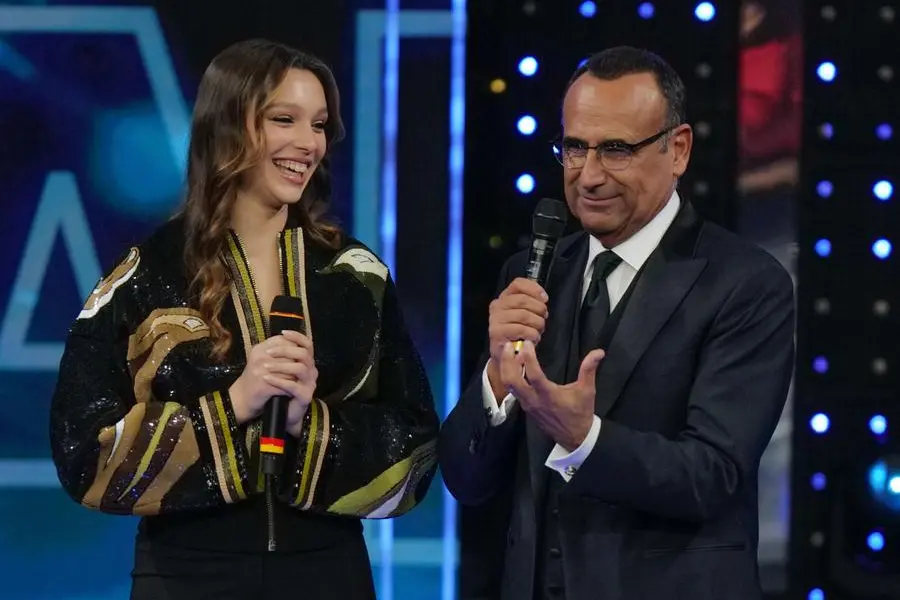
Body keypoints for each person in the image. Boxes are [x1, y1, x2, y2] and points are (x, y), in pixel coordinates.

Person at [49, 38, 439, 600]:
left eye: (319, 125)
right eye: (284, 119)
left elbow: (416, 450)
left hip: (327, 572)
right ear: (228, 125)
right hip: (185, 576)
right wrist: (233, 404)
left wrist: (312, 424)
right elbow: (83, 451)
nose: (308, 143)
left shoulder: (355, 276)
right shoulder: (145, 275)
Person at [439, 46, 795, 600]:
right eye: (574, 148)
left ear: (678, 150)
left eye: (616, 150)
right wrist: (495, 383)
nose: (588, 175)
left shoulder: (745, 284)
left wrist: (585, 438)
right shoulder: (532, 275)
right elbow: (466, 478)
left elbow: (712, 475)